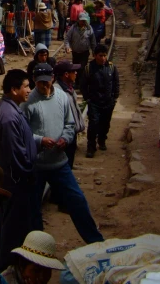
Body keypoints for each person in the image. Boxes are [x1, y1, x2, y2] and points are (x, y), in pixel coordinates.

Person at [23, 64, 103, 244]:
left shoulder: (61, 97)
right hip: (37, 164)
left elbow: (70, 124)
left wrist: (65, 139)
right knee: (33, 207)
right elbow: (23, 132)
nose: (44, 86)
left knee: (77, 200)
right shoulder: (28, 102)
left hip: (59, 162)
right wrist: (40, 140)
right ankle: (38, 245)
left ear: (52, 79)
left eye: (47, 82)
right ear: (35, 81)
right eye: (40, 83)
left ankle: (94, 240)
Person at [0, 69, 38, 270]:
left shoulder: (10, 108)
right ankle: (8, 268)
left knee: (8, 224)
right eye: (26, 86)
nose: (29, 90)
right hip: (16, 180)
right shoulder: (9, 116)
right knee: (12, 228)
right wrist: (28, 173)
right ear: (14, 89)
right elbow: (16, 154)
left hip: (14, 178)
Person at [79, 44, 119, 157]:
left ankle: (102, 140)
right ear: (95, 56)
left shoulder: (111, 67)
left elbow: (116, 83)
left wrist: (114, 98)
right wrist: (88, 98)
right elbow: (83, 85)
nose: (103, 58)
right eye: (100, 56)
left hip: (108, 102)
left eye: (105, 56)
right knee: (93, 124)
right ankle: (91, 147)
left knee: (105, 124)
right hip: (94, 102)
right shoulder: (89, 68)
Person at [2, 231, 66, 284]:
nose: (42, 277)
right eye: (36, 270)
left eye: (47, 270)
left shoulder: (35, 283)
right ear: (22, 266)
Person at [53, 61, 85, 168]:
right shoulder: (57, 91)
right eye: (73, 71)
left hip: (71, 132)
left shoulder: (69, 88)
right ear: (66, 74)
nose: (76, 73)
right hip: (64, 135)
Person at [64, 12, 96, 78]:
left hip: (85, 52)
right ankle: (77, 82)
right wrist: (67, 47)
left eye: (84, 21)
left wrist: (94, 51)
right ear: (78, 20)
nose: (83, 22)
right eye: (81, 20)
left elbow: (93, 41)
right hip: (75, 52)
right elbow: (67, 38)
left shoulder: (89, 29)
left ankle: (81, 82)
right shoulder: (73, 28)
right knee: (76, 67)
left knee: (82, 67)